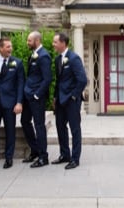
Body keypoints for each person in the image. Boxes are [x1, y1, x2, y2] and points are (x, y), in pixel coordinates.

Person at [0, 37, 25, 169]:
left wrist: (19, 102)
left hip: (10, 103)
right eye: (8, 47)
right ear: (0, 48)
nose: (10, 49)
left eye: (11, 46)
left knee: (10, 131)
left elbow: (20, 84)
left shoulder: (17, 63)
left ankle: (9, 157)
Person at [51, 32, 88, 170]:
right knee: (60, 127)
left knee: (75, 129)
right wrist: (55, 97)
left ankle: (75, 158)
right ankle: (64, 154)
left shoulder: (74, 58)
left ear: (63, 43)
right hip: (60, 100)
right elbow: (59, 80)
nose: (53, 44)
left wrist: (74, 96)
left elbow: (82, 80)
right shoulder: (57, 59)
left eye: (55, 42)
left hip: (72, 100)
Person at [21, 31, 52, 168]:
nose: (27, 43)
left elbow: (47, 79)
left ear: (37, 41)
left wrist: (37, 95)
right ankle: (35, 150)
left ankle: (43, 156)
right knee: (24, 121)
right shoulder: (34, 54)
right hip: (28, 96)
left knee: (39, 125)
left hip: (36, 97)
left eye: (29, 40)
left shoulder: (44, 56)